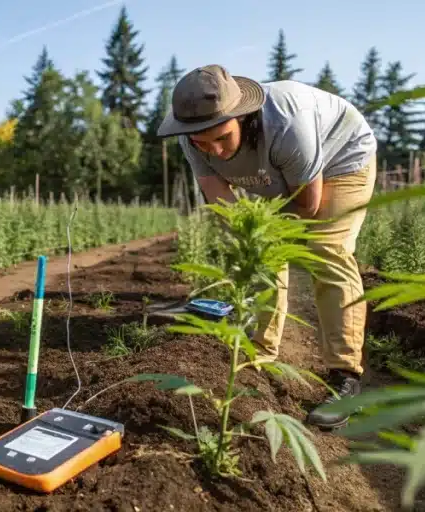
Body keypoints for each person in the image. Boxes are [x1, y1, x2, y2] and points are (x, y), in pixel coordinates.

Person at [157, 64, 377, 429]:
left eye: (222, 138)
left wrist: (261, 227)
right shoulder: (191, 135)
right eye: (202, 142)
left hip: (342, 158)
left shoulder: (288, 123)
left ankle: (345, 376)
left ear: (240, 117)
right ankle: (260, 351)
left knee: (326, 248)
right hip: (275, 172)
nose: (214, 150)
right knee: (258, 248)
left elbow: (307, 205)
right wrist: (250, 242)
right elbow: (221, 200)